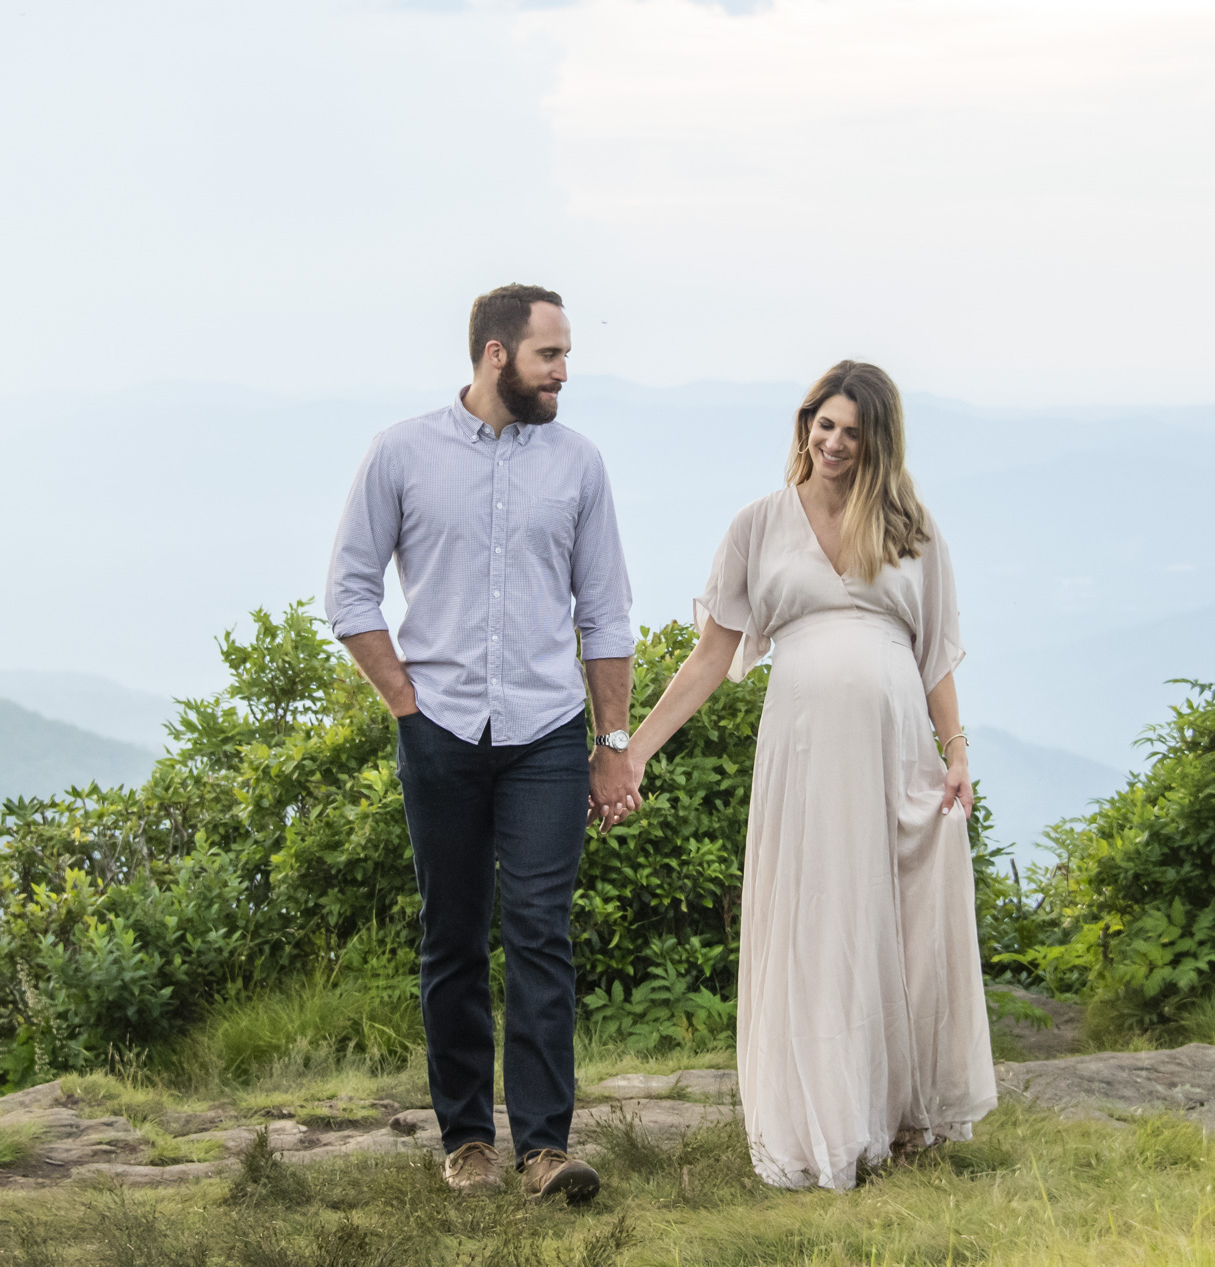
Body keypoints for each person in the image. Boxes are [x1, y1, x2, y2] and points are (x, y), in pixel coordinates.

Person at [625, 360, 997, 1190]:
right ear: (804, 426)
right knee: (821, 920)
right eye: (821, 424)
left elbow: (935, 652)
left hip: (897, 747)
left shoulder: (911, 527)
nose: (832, 442)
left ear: (877, 443)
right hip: (803, 752)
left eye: (851, 431)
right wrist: (634, 749)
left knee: (900, 920)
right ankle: (825, 1118)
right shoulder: (758, 524)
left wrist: (958, 749)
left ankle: (904, 1114)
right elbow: (711, 657)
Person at [324, 284, 641, 1202]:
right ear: (497, 354)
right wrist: (406, 704)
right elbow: (349, 591)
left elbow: (606, 611)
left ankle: (546, 1148)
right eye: (550, 354)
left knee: (541, 932)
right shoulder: (402, 453)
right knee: (452, 936)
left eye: (566, 353)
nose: (564, 372)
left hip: (546, 733)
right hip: (442, 732)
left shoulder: (579, 465)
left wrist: (612, 740)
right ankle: (467, 1141)